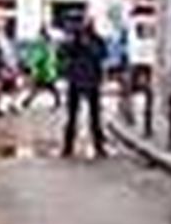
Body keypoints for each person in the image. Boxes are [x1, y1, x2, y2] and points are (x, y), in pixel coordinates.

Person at [59, 18, 109, 158]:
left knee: (95, 116)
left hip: (92, 81)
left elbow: (102, 55)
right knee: (72, 116)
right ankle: (68, 146)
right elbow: (63, 53)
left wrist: (88, 45)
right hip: (76, 80)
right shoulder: (74, 40)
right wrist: (74, 42)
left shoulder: (97, 40)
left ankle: (99, 146)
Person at [20, 27, 62, 111]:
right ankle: (27, 101)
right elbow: (52, 57)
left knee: (48, 87)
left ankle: (27, 101)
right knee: (46, 87)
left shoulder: (42, 45)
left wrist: (29, 64)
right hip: (47, 70)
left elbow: (37, 56)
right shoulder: (50, 45)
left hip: (45, 71)